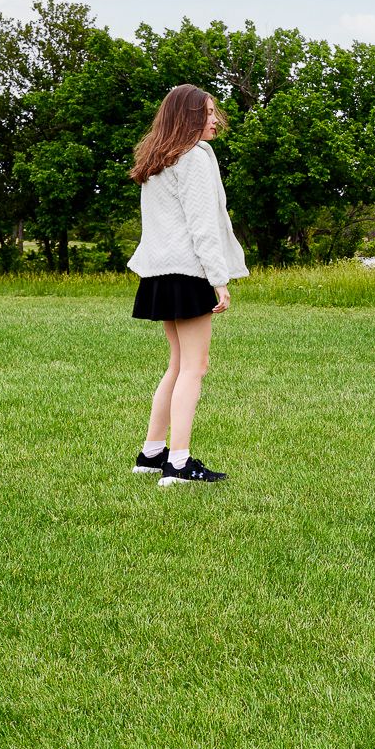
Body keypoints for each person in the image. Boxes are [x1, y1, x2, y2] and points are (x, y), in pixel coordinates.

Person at [127, 84, 249, 486]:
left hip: (160, 274)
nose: (215, 119)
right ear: (189, 116)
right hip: (188, 272)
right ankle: (178, 464)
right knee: (194, 367)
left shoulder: (158, 157)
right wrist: (220, 279)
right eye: (208, 112)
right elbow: (203, 227)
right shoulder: (194, 158)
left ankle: (151, 454)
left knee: (178, 365)